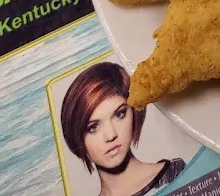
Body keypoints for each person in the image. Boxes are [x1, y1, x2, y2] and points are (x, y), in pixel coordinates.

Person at [60, 63, 184, 196]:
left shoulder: (177, 173)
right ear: (75, 137)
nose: (111, 135)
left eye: (119, 115)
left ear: (134, 112)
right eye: (93, 127)